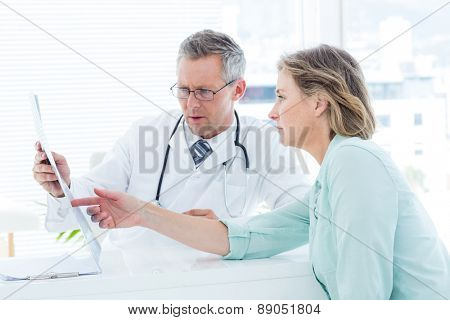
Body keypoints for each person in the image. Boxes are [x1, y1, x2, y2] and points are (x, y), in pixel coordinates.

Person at [72, 44, 450, 299]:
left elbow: (363, 296)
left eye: (282, 96)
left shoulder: (355, 161)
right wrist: (142, 213)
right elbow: (251, 237)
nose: (271, 113)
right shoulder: (330, 178)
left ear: (319, 103)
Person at [32, 30, 311, 254]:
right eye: (183, 90)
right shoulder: (144, 133)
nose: (190, 104)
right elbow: (90, 195)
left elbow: (300, 218)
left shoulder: (264, 143)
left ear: (237, 90)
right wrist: (62, 187)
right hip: (132, 274)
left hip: (209, 281)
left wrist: (230, 230)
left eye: (204, 92)